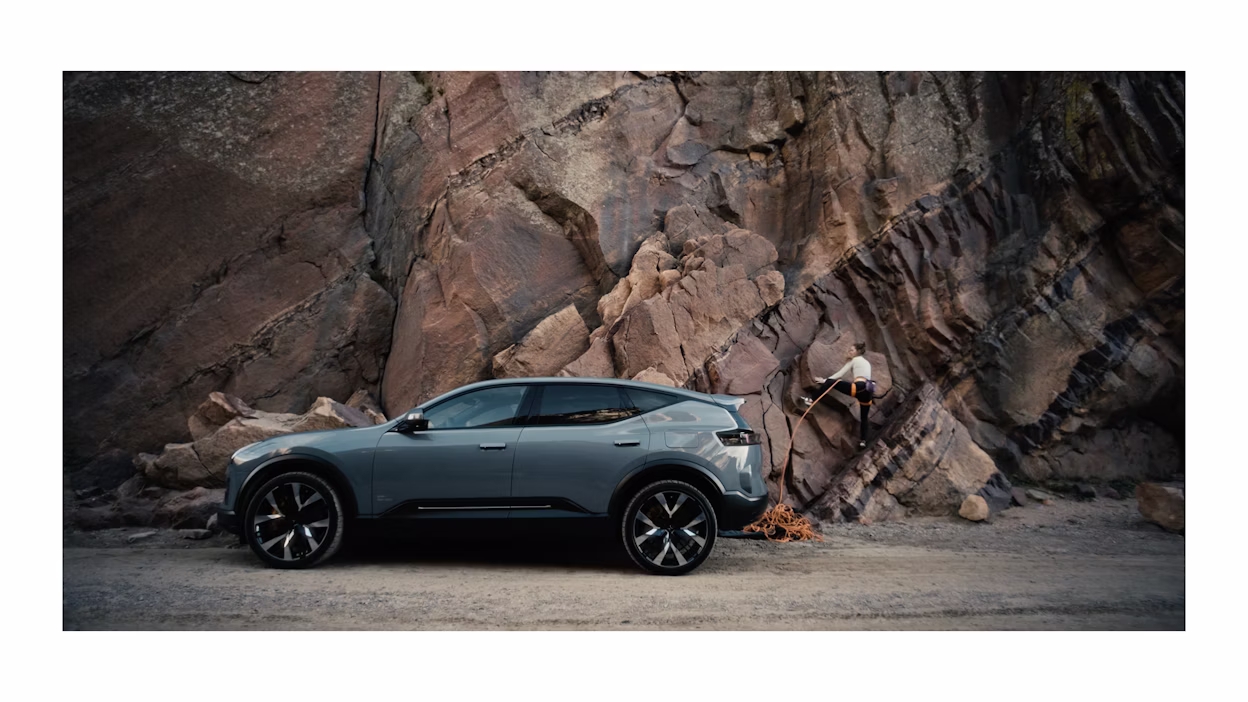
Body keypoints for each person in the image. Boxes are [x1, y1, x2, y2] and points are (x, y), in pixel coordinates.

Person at [800, 342, 876, 449]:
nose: (849, 352)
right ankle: (863, 441)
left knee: (832, 383)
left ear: (857, 352)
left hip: (858, 388)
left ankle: (811, 400)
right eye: (849, 349)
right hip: (868, 392)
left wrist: (825, 380)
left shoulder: (854, 360)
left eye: (852, 350)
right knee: (864, 417)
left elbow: (840, 374)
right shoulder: (866, 363)